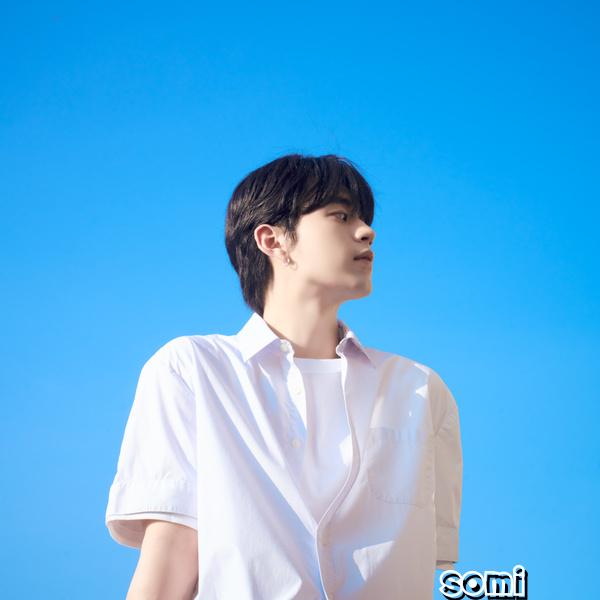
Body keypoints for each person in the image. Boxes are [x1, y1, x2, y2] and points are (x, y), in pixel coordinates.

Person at [105, 153, 463, 599]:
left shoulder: (420, 390)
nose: (367, 231)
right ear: (272, 239)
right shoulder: (193, 369)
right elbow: (170, 558)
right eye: (341, 215)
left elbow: (423, 570)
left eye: (365, 219)